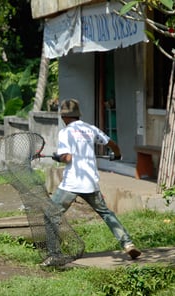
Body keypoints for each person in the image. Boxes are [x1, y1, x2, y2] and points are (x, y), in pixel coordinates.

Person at [41, 98, 141, 266]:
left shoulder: (65, 132)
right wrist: (116, 155)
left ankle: (54, 254)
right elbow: (113, 144)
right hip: (90, 182)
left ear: (64, 117)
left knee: (50, 216)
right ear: (78, 115)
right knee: (106, 214)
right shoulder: (90, 129)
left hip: (72, 183)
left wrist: (59, 156)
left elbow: (67, 158)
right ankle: (127, 243)